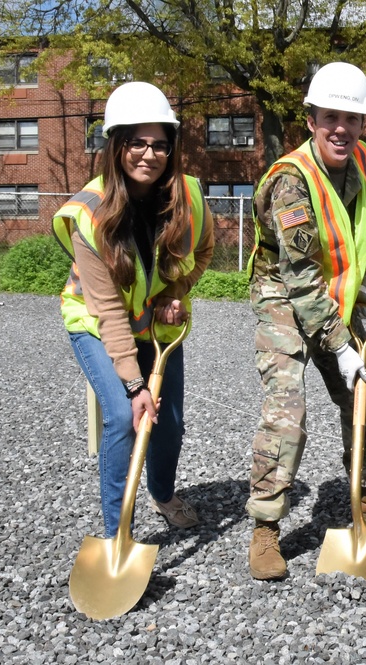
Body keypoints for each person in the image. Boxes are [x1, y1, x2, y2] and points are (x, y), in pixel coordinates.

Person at [245, 61, 366, 581]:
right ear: (311, 119)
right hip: (283, 294)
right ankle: (265, 529)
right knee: (288, 410)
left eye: (352, 117)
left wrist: (364, 285)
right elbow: (299, 276)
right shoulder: (290, 181)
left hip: (336, 296)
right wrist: (338, 344)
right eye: (330, 117)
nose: (341, 128)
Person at [53, 81, 214, 538]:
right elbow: (105, 307)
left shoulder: (187, 195)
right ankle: (115, 533)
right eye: (137, 142)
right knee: (126, 416)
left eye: (160, 144)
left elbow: (201, 254)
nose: (149, 154)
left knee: (170, 423)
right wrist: (133, 383)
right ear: (116, 145)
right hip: (97, 325)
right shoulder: (90, 212)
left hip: (157, 326)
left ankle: (162, 494)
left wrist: (174, 292)